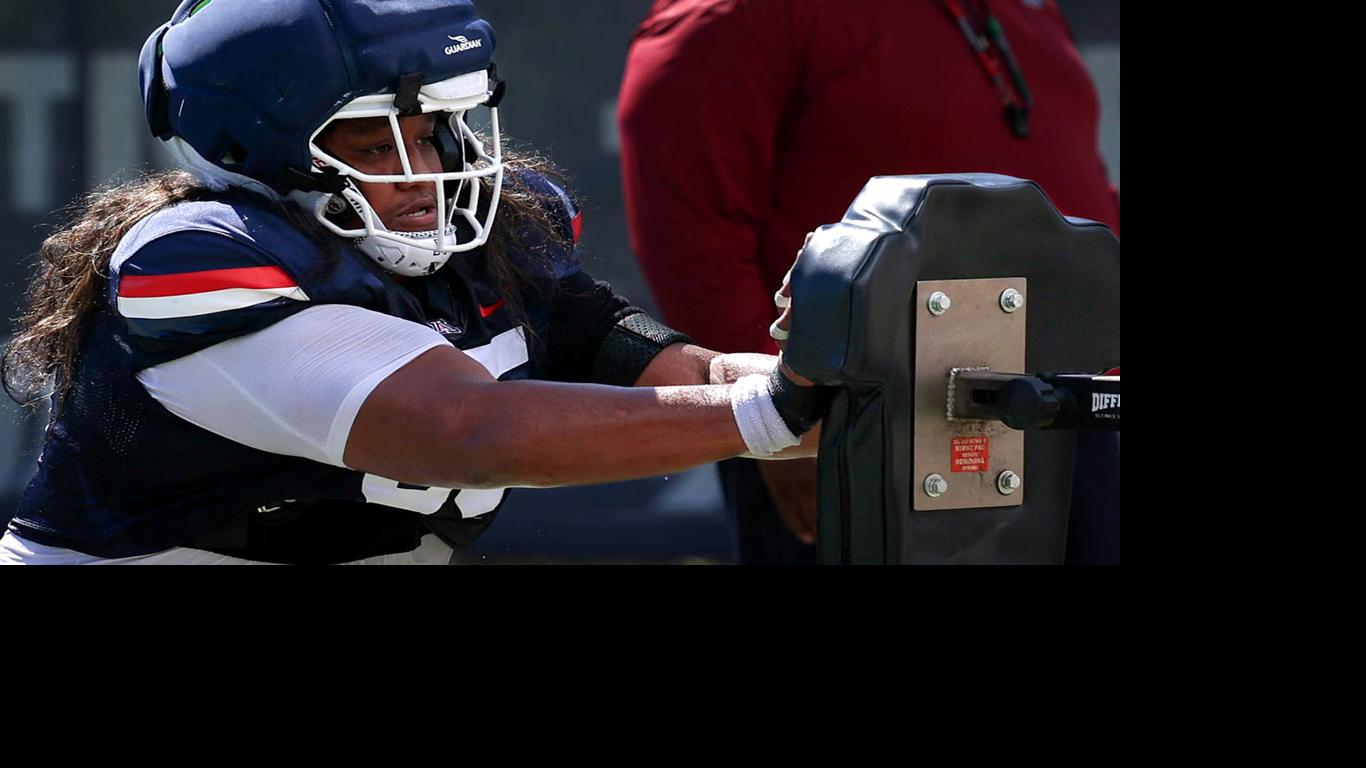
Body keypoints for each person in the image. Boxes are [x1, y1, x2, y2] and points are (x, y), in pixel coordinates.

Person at [0, 0, 827, 565]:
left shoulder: (497, 240)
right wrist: (771, 411)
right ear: (261, 147)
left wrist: (847, 390)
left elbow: (689, 375)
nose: (420, 172)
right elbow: (469, 431)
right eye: (372, 145)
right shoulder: (197, 259)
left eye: (430, 134)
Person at [618, 0, 1120, 564]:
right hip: (870, 425)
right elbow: (690, 233)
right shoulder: (736, 15)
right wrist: (781, 425)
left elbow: (1077, 187)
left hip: (1075, 409)